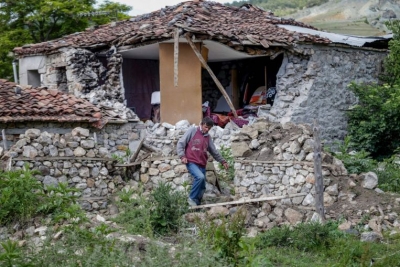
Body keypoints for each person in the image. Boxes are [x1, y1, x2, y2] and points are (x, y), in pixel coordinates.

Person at [177, 117, 229, 206]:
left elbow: (214, 151)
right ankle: (191, 199)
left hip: (202, 163)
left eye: (209, 128)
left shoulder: (207, 137)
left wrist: (223, 161)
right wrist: (182, 156)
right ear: (201, 124)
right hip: (191, 161)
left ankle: (197, 204)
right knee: (200, 177)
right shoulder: (192, 131)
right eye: (206, 127)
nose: (207, 129)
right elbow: (181, 143)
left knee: (202, 187)